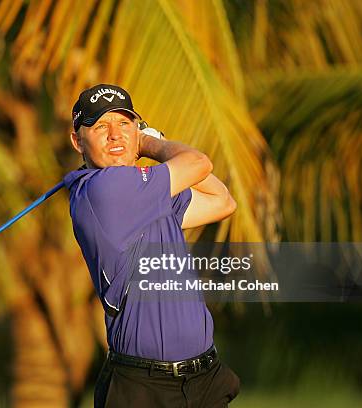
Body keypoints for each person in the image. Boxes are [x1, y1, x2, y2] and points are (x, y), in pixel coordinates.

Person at [63, 84, 240, 407]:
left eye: (125, 124)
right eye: (101, 126)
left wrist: (140, 149)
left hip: (204, 379)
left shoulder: (148, 194)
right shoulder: (104, 190)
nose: (115, 135)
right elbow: (199, 163)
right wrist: (147, 142)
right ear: (78, 141)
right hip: (144, 388)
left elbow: (223, 202)